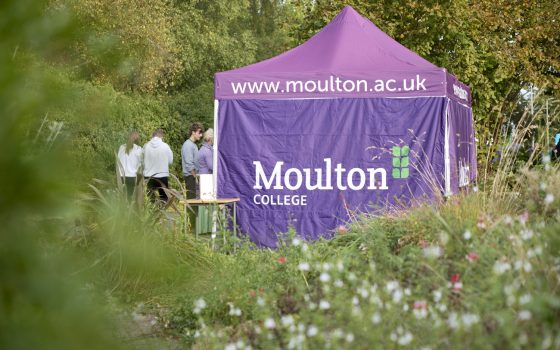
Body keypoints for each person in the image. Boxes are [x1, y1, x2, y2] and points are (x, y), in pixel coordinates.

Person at [182, 122, 203, 232]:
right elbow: (189, 164)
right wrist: (195, 177)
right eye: (199, 132)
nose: (201, 135)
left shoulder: (194, 145)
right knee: (191, 202)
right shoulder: (187, 145)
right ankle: (189, 227)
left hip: (194, 176)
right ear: (193, 132)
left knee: (194, 202)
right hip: (190, 177)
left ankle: (192, 226)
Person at [143, 129, 173, 205]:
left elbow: (142, 160)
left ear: (152, 136)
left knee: (150, 199)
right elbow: (170, 161)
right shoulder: (166, 146)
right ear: (161, 136)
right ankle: (161, 214)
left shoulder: (146, 146)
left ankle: (152, 215)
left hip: (149, 176)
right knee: (164, 198)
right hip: (162, 175)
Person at [117, 131, 143, 200]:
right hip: (132, 177)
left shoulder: (121, 147)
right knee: (130, 198)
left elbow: (118, 161)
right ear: (137, 140)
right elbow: (141, 164)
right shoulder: (139, 149)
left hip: (121, 177)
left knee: (121, 198)